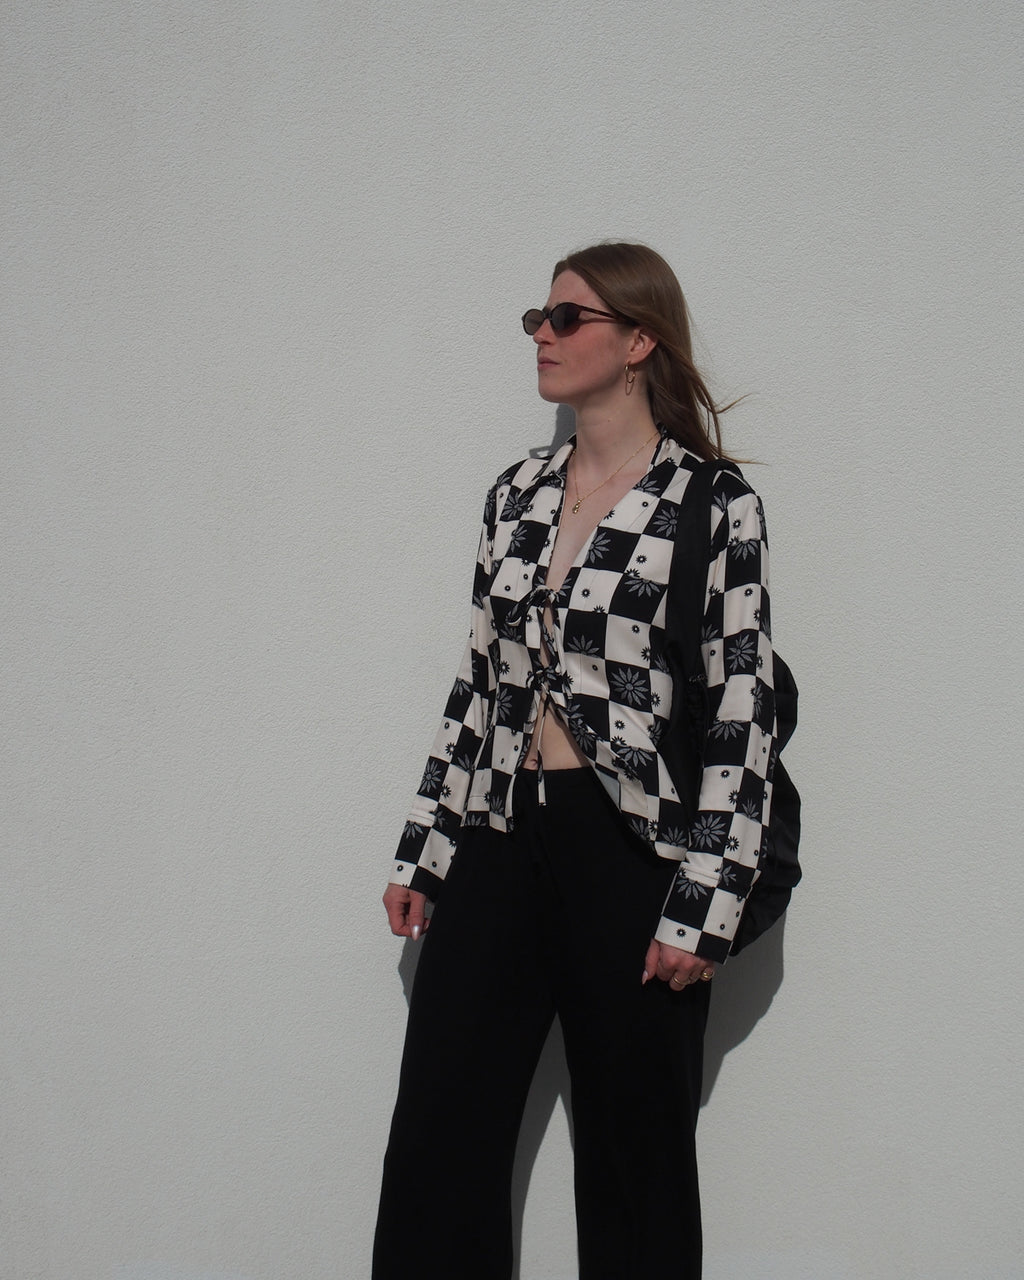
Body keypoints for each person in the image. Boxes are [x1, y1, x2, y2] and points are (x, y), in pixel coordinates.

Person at [372, 242, 777, 1280]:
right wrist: (424, 848)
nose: (541, 337)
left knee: (634, 1154)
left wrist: (704, 903)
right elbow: (477, 678)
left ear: (638, 340)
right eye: (537, 319)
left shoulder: (711, 505)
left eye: (566, 318)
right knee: (438, 1137)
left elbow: (740, 711)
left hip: (633, 850)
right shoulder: (514, 494)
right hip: (503, 835)